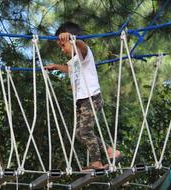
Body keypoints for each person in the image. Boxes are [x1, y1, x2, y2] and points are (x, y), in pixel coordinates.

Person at [44, 22, 120, 170]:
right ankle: (111, 151)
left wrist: (73, 39)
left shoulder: (84, 53)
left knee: (85, 131)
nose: (62, 49)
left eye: (63, 45)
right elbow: (70, 69)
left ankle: (96, 162)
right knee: (80, 133)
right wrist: (55, 66)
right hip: (83, 101)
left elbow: (83, 46)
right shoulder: (74, 60)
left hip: (91, 98)